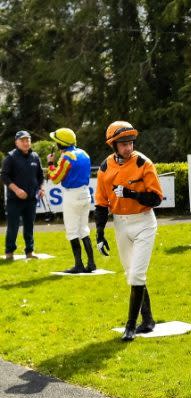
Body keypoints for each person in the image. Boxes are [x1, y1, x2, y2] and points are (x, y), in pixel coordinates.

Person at [94, 121, 164, 341]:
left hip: (144, 223)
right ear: (113, 145)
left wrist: (132, 193)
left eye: (131, 142)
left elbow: (156, 198)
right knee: (131, 275)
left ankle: (131, 326)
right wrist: (99, 233)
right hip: (121, 224)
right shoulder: (105, 168)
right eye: (123, 144)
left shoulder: (144, 163)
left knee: (136, 274)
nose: (128, 147)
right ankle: (149, 320)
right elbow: (101, 203)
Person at [46, 128, 95, 272]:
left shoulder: (67, 157)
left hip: (71, 195)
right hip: (85, 193)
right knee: (84, 229)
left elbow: (55, 178)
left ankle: (78, 265)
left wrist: (50, 164)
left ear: (61, 143)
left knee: (72, 231)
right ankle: (91, 264)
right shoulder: (84, 153)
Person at [2, 131, 45, 260]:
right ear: (16, 142)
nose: (26, 143)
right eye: (23, 140)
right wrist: (16, 190)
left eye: (28, 140)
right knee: (13, 227)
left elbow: (40, 176)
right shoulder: (10, 157)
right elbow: (4, 176)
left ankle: (29, 252)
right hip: (14, 200)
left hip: (31, 199)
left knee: (29, 227)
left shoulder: (35, 156)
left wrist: (41, 188)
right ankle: (9, 252)